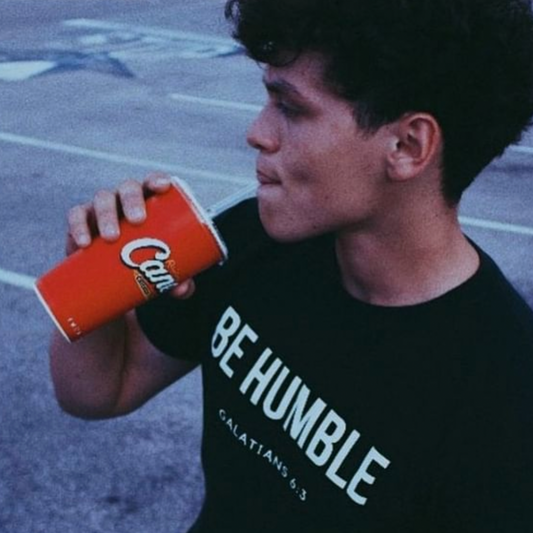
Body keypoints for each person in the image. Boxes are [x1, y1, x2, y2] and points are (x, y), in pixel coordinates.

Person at [50, 0, 533, 531]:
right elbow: (102, 390)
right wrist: (92, 277)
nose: (257, 132)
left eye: (291, 107)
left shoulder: (503, 392)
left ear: (406, 145)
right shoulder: (253, 238)